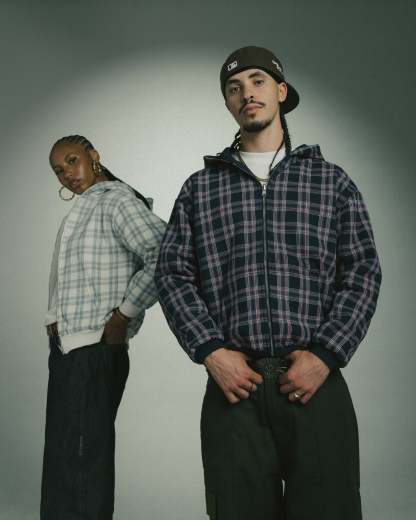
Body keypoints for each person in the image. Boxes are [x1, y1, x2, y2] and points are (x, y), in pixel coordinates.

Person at [154, 46, 382, 519]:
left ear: (281, 91)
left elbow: (362, 271)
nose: (247, 93)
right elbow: (172, 274)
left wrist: (326, 355)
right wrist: (211, 351)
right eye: (234, 88)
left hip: (315, 386)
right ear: (227, 103)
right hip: (234, 390)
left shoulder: (330, 182)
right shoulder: (200, 189)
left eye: (258, 81)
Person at [41, 134, 166, 519]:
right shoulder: (85, 209)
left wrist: (124, 314)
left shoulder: (116, 201)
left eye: (72, 161)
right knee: (64, 460)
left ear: (94, 156)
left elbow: (164, 253)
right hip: (68, 354)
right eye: (58, 170)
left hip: (94, 351)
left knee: (82, 460)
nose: (67, 174)